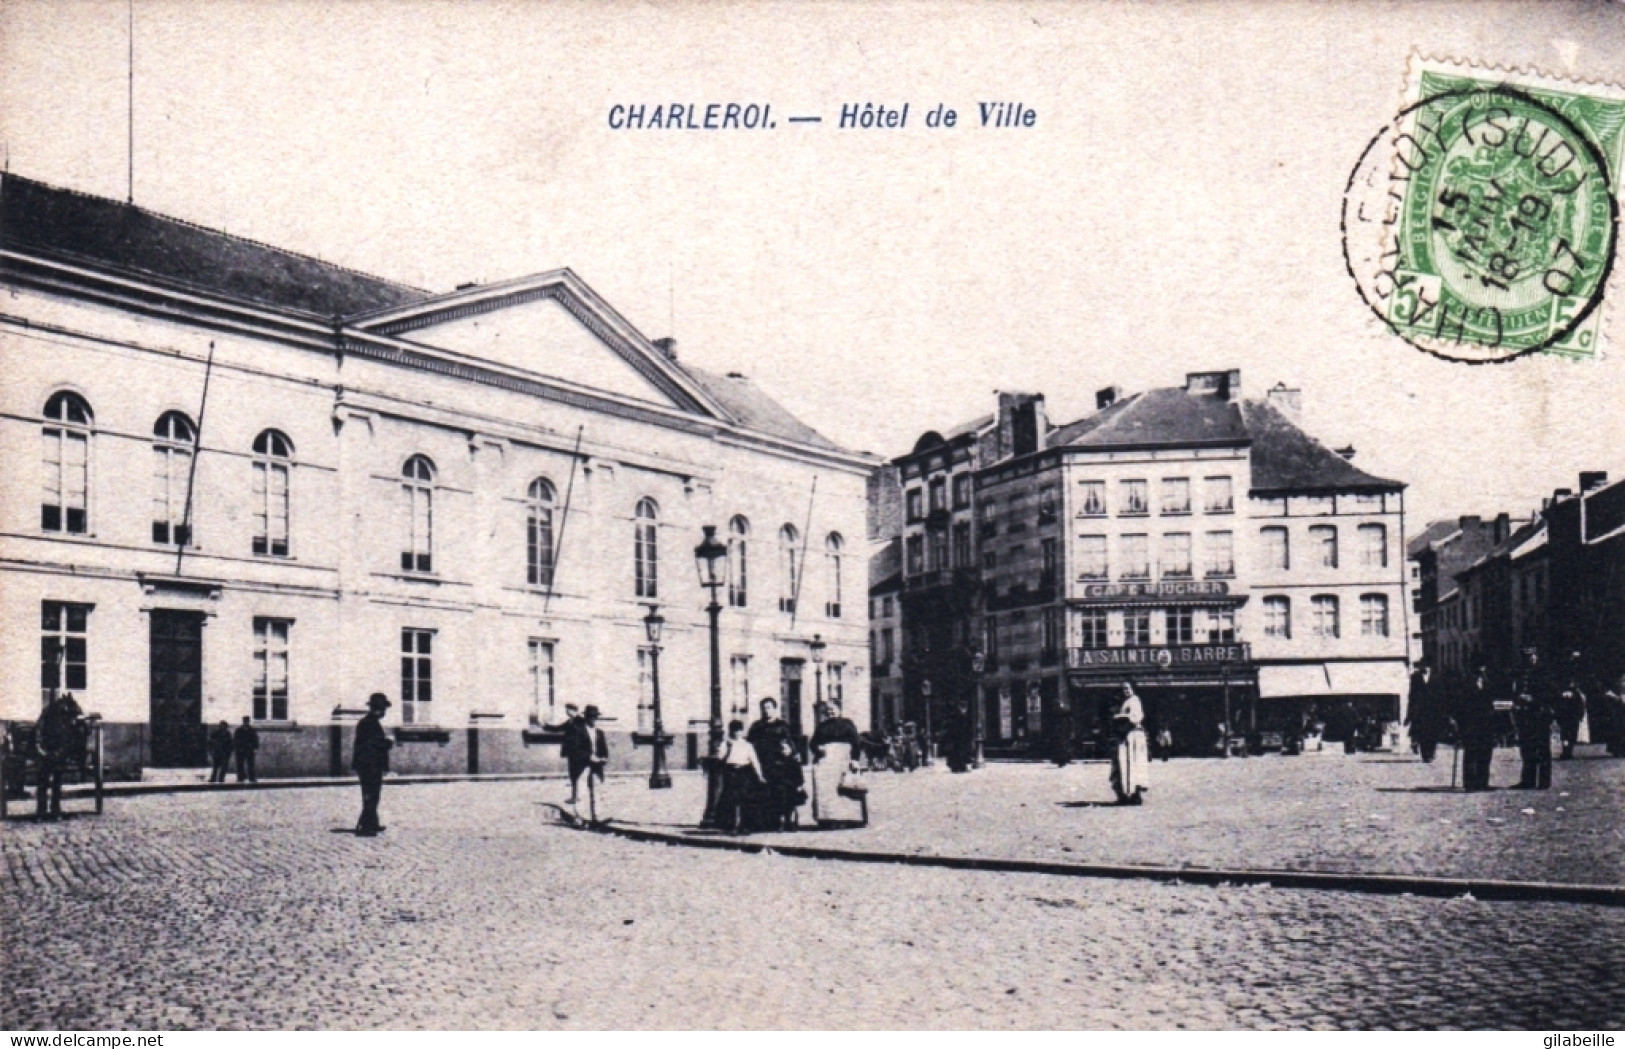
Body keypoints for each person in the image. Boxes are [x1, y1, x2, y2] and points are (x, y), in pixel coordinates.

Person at [747, 698, 805, 831]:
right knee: (763, 792)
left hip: (780, 764)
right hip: (762, 763)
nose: (766, 711)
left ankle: (786, 819)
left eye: (769, 707)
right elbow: (750, 744)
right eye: (764, 708)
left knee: (783, 790)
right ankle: (768, 821)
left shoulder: (782, 725)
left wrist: (792, 751)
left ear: (774, 709)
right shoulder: (756, 726)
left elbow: (790, 743)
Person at [808, 700, 865, 826]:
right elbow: (813, 743)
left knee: (843, 789)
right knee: (825, 790)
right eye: (827, 709)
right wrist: (818, 749)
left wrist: (855, 759)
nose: (830, 711)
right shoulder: (822, 726)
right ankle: (826, 818)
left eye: (833, 708)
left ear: (839, 710)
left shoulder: (847, 724)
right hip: (826, 762)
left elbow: (856, 742)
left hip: (843, 760)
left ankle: (847, 818)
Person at [35, 691, 84, 820]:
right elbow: (38, 732)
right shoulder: (45, 715)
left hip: (58, 754)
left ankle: (55, 810)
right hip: (44, 753)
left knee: (57, 781)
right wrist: (41, 750)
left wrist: (60, 752)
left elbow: (68, 737)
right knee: (43, 781)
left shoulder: (66, 718)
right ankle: (41, 811)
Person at [352, 692, 394, 836]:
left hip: (367, 765)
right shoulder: (369, 724)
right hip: (369, 766)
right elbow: (373, 746)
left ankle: (372, 822)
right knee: (371, 795)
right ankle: (366, 827)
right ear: (378, 709)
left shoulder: (368, 722)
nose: (384, 713)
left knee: (372, 794)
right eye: (383, 710)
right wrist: (387, 742)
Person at [1511, 655, 1554, 790]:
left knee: (1542, 749)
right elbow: (1516, 691)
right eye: (1527, 655)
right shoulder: (1521, 673)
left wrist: (1533, 699)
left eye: (1532, 655)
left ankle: (1544, 781)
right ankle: (1527, 780)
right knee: (1527, 748)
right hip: (1525, 716)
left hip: (1539, 715)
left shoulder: (1544, 673)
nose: (1530, 658)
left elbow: (1550, 694)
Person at [1453, 665, 1498, 791]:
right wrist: (1460, 724)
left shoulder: (1488, 683)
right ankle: (1470, 783)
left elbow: (1492, 702)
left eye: (1483, 669)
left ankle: (1483, 782)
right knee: (1471, 753)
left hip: (1486, 724)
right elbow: (1459, 705)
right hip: (1470, 724)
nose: (1482, 672)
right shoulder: (1465, 684)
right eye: (1479, 670)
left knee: (1485, 753)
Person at [716, 719, 764, 834]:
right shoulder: (725, 744)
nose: (737, 733)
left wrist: (759, 775)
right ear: (730, 731)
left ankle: (745, 825)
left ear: (742, 731)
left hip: (744, 772)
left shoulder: (747, 745)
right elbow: (720, 758)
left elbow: (754, 760)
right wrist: (728, 748)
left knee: (745, 799)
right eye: (734, 731)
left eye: (739, 731)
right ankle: (731, 825)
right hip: (731, 772)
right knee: (730, 799)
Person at [1109, 682, 1149, 805]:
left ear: (1133, 688)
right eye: (1123, 689)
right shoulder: (1126, 701)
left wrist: (1122, 716)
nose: (1126, 691)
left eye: (1128, 688)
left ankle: (1134, 794)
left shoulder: (1135, 700)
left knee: (1133, 764)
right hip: (1125, 737)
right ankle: (1126, 794)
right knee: (1124, 764)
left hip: (1133, 736)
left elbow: (1136, 717)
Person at [552, 703, 592, 808]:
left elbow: (585, 736)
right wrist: (544, 726)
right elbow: (558, 728)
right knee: (573, 774)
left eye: (567, 710)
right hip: (572, 753)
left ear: (573, 710)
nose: (566, 712)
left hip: (580, 752)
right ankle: (574, 796)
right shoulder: (571, 721)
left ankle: (579, 796)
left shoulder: (581, 721)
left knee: (578, 774)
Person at [1406, 664, 1444, 763]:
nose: (1426, 668)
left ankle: (1431, 753)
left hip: (1433, 710)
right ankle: (1425, 754)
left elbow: (1441, 695)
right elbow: (1412, 695)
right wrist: (1410, 712)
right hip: (1421, 710)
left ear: (1431, 668)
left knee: (1433, 733)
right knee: (1423, 733)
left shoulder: (1436, 678)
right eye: (1424, 666)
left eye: (1428, 666)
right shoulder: (1416, 678)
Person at [1553, 654, 1586, 761]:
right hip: (1565, 704)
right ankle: (1566, 749)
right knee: (1566, 729)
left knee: (1571, 729)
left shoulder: (1579, 674)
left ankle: (1568, 749)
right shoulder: (1563, 674)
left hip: (1574, 705)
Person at [582, 705, 611, 823]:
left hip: (597, 765)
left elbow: (604, 748)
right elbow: (576, 748)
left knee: (598, 789)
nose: (593, 719)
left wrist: (603, 758)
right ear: (586, 717)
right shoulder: (580, 731)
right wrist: (589, 757)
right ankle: (583, 818)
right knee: (584, 790)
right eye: (591, 717)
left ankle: (598, 817)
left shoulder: (600, 732)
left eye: (595, 717)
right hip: (584, 764)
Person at [232, 716, 260, 784]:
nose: (246, 722)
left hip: (249, 750)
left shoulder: (252, 730)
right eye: (245, 721)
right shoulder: (239, 730)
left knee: (251, 764)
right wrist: (237, 748)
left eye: (247, 721)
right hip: (241, 750)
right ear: (243, 721)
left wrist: (255, 747)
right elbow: (235, 740)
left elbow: (255, 739)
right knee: (240, 764)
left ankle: (251, 777)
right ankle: (240, 777)